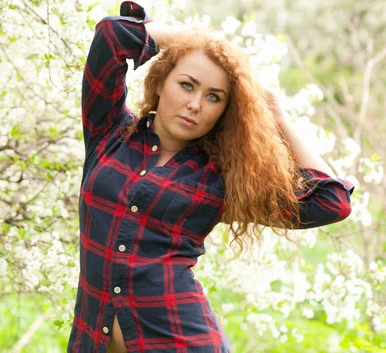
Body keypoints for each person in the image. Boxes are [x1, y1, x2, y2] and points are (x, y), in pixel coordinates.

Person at [66, 1, 355, 352]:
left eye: (213, 97)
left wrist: (276, 115)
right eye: (186, 84)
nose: (195, 104)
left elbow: (331, 201)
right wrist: (199, 43)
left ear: (224, 111)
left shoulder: (221, 181)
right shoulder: (108, 131)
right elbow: (112, 36)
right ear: (160, 82)